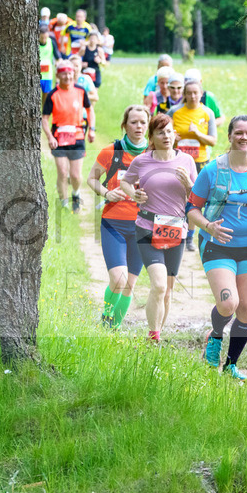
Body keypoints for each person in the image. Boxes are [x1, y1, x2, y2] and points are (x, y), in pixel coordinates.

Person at [187, 115, 247, 380]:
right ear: (229, 136)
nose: (244, 138)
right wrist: (209, 226)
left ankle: (230, 365)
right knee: (229, 303)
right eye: (238, 133)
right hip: (218, 246)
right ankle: (215, 336)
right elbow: (191, 209)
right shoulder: (212, 171)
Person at [118, 113, 197, 343]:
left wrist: (189, 185)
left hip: (176, 229)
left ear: (175, 134)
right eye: (160, 132)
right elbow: (125, 181)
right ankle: (153, 336)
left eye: (169, 131)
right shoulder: (142, 161)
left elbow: (197, 196)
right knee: (159, 285)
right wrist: (134, 194)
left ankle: (157, 336)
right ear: (151, 137)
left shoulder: (187, 162)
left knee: (168, 290)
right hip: (146, 227)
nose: (166, 136)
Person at [86, 105, 149, 328]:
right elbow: (91, 179)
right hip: (113, 224)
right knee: (118, 279)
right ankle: (106, 319)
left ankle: (112, 329)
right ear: (124, 125)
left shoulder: (153, 155)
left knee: (129, 284)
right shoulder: (111, 152)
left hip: (142, 227)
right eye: (134, 122)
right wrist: (106, 192)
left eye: (143, 122)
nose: (139, 126)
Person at [168, 79, 218, 251]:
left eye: (196, 92)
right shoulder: (174, 112)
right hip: (177, 161)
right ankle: (173, 232)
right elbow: (161, 134)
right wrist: (173, 138)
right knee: (176, 198)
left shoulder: (208, 113)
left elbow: (213, 141)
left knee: (194, 201)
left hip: (200, 162)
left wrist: (197, 133)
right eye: (189, 93)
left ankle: (189, 238)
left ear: (201, 94)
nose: (192, 96)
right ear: (184, 94)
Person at [42, 60, 95, 213]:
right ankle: (64, 203)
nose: (67, 76)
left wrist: (91, 129)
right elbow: (44, 118)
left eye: (70, 73)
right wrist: (49, 137)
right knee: (63, 172)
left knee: (75, 175)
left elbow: (90, 110)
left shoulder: (80, 91)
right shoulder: (53, 94)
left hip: (77, 136)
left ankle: (76, 194)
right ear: (58, 75)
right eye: (64, 73)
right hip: (59, 137)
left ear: (74, 74)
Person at [38, 23, 62, 95]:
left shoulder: (51, 42)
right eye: (42, 38)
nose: (44, 40)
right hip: (36, 75)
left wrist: (58, 63)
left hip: (47, 75)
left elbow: (58, 57)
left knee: (47, 95)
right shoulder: (34, 44)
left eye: (45, 37)